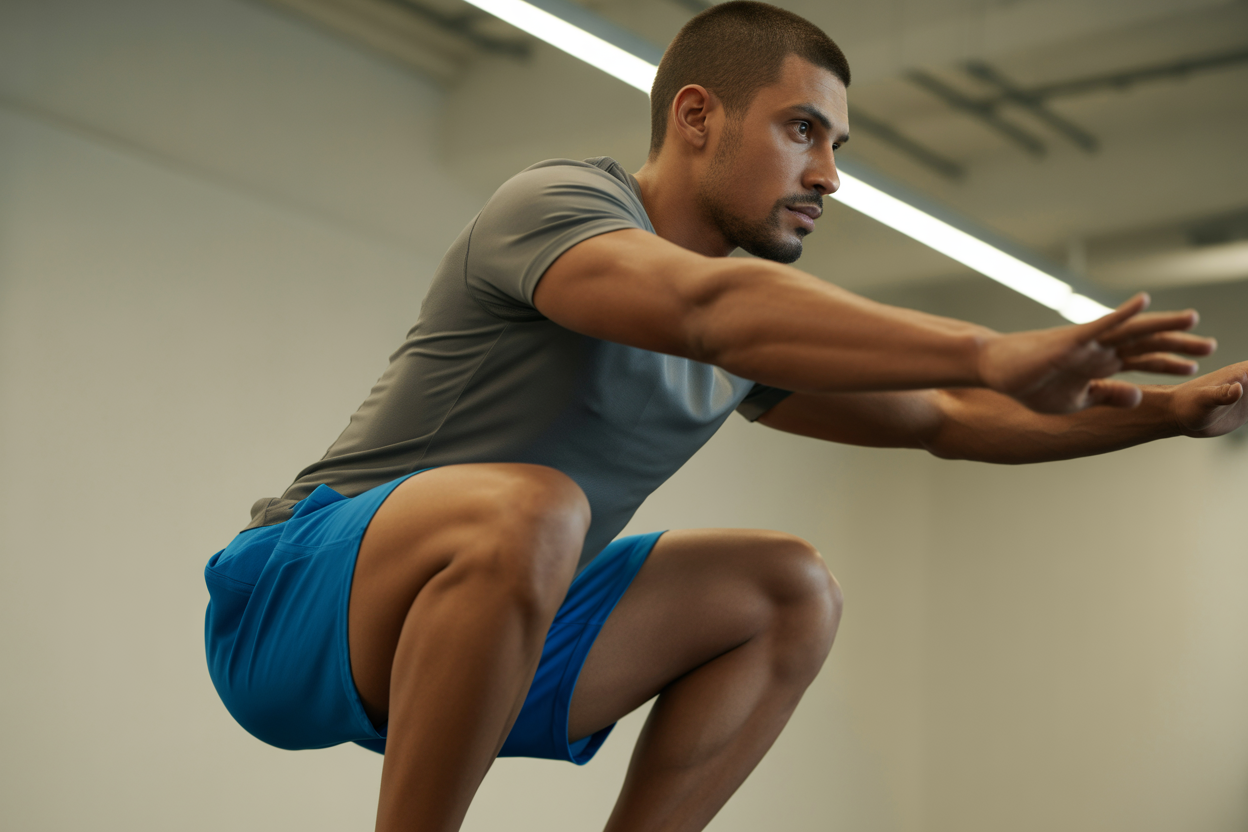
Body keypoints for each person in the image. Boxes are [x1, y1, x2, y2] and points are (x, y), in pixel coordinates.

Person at [202, 2, 1248, 830]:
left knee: (788, 588)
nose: (829, 175)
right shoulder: (557, 206)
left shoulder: (750, 344)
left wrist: (1165, 417)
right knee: (533, 508)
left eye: (836, 144)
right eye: (804, 132)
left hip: (498, 635)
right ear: (698, 117)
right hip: (295, 601)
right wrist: (989, 345)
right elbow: (709, 311)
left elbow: (946, 420)